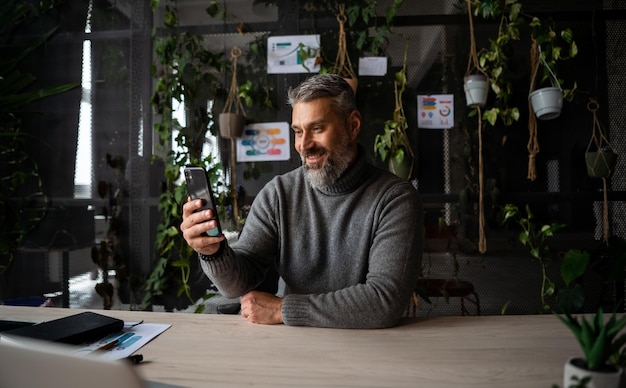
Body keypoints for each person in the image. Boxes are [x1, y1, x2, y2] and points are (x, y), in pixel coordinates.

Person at [180, 74, 423, 329]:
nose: (304, 145)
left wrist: (283, 309)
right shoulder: (279, 194)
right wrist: (212, 252)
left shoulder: (395, 199)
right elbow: (238, 283)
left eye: (317, 129)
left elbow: (383, 302)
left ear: (353, 125)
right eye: (298, 131)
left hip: (373, 350)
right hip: (296, 345)